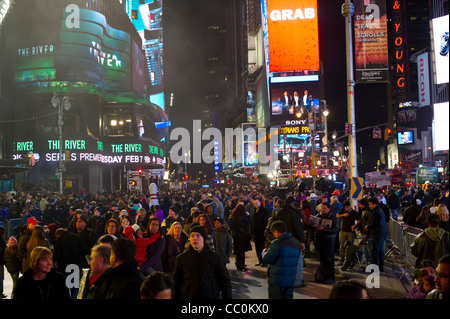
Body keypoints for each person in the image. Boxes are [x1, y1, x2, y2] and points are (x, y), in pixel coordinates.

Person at [172, 225, 232, 299]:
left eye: (198, 235)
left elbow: (225, 283)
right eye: (192, 236)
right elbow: (176, 284)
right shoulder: (181, 259)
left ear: (204, 239)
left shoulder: (215, 259)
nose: (195, 238)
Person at [262, 221, 301, 299]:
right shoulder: (296, 242)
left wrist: (264, 252)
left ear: (276, 231)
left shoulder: (276, 243)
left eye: (274, 233)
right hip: (290, 280)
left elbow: (268, 259)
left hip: (277, 281)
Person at [273, 195, 305, 286]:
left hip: (281, 240)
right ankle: (297, 281)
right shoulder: (293, 213)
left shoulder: (278, 212)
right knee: (298, 261)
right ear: (292, 204)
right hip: (293, 240)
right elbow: (298, 228)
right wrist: (302, 241)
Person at [314, 202, 339, 284]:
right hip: (320, 240)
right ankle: (323, 276)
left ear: (329, 208)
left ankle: (331, 277)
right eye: (322, 208)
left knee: (329, 260)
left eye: (325, 208)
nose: (323, 210)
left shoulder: (333, 217)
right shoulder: (319, 216)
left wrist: (324, 229)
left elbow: (336, 230)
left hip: (329, 241)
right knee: (322, 259)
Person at [366, 197, 387, 272]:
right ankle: (381, 268)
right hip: (382, 232)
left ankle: (374, 268)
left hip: (378, 233)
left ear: (374, 204)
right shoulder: (379, 210)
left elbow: (375, 223)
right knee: (380, 252)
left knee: (374, 251)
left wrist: (368, 226)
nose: (369, 205)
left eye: (370, 204)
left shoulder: (376, 212)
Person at [228, 204, 252, 272]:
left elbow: (231, 226)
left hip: (236, 235)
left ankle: (238, 264)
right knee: (242, 252)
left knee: (238, 251)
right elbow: (249, 222)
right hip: (243, 236)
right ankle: (242, 265)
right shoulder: (244, 216)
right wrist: (248, 215)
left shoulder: (232, 216)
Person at [250, 197, 271, 267]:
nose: (255, 204)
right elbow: (252, 223)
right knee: (257, 248)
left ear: (260, 203)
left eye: (257, 203)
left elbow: (267, 222)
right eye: (254, 203)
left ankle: (264, 261)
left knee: (262, 248)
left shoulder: (264, 211)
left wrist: (265, 232)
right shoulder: (254, 211)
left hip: (262, 233)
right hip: (256, 233)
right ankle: (260, 261)